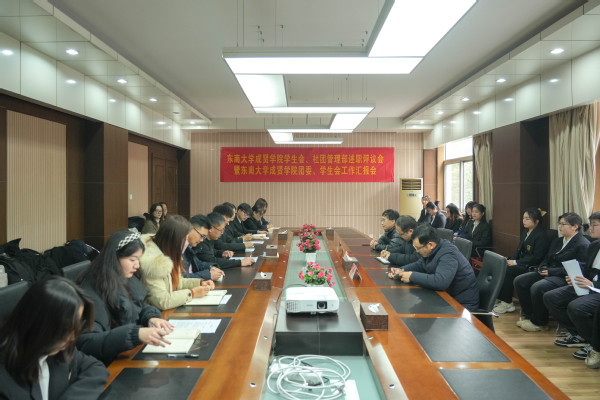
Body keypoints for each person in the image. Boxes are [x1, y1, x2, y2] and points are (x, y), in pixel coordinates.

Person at [0, 276, 108, 399]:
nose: (72, 337)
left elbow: (95, 368)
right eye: (65, 328)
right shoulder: (5, 381)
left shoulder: (56, 349)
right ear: (38, 323)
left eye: (76, 325)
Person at [76, 230, 174, 365]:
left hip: (124, 354)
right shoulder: (92, 289)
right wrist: (134, 334)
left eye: (138, 260)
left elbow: (140, 305)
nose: (137, 265)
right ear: (114, 258)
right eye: (132, 260)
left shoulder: (123, 276)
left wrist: (150, 317)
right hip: (103, 365)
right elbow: (87, 343)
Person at [514, 212, 590, 332]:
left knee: (538, 287)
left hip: (564, 277)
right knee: (520, 281)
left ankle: (540, 322)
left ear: (575, 227)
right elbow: (547, 257)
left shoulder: (582, 244)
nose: (559, 227)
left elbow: (580, 268)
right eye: (559, 223)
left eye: (563, 224)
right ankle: (530, 315)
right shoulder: (558, 241)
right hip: (548, 272)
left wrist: (551, 271)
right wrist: (543, 266)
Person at [543, 211, 600, 360]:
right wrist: (576, 278)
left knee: (576, 306)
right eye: (590, 225)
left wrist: (593, 284)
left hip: (597, 289)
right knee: (550, 297)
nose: (590, 229)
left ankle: (594, 344)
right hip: (588, 285)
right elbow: (587, 269)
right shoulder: (594, 246)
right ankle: (579, 334)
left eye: (594, 225)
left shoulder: (585, 243)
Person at [387, 224, 479, 311]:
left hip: (461, 304)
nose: (417, 251)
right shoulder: (433, 249)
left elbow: (440, 281)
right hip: (445, 297)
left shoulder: (448, 254)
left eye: (418, 248)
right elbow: (420, 264)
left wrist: (411, 276)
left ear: (431, 245)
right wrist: (401, 270)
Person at [139, 215, 214, 310]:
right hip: (157, 314)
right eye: (184, 240)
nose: (185, 244)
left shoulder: (169, 252)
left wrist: (200, 283)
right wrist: (192, 293)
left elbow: (178, 283)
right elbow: (162, 301)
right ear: (175, 240)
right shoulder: (153, 261)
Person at [494, 208, 550, 314]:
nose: (524, 221)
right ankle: (499, 298)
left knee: (508, 271)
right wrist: (511, 260)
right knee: (501, 264)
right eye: (523, 218)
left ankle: (507, 303)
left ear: (536, 221)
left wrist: (516, 262)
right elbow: (518, 250)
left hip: (532, 266)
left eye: (527, 219)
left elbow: (536, 257)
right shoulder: (525, 232)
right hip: (522, 262)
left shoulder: (541, 235)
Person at [183, 214, 225, 281]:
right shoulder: (178, 248)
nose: (202, 240)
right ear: (191, 229)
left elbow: (198, 263)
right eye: (201, 236)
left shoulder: (189, 246)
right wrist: (208, 275)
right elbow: (182, 278)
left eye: (204, 237)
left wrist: (211, 267)